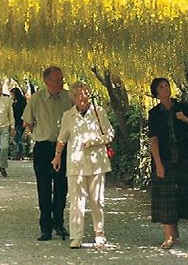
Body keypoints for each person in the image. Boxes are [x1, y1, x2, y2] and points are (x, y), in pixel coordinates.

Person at [51, 82, 114, 249]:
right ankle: (76, 236)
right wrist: (57, 156)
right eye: (78, 95)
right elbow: (62, 138)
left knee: (97, 200)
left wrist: (94, 141)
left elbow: (109, 134)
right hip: (75, 163)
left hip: (97, 162)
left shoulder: (99, 112)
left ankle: (99, 233)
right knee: (76, 201)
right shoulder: (68, 116)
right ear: (73, 97)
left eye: (85, 93)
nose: (82, 97)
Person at [22, 66, 72, 241]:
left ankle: (58, 222)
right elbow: (27, 122)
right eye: (57, 79)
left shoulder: (68, 97)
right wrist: (40, 133)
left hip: (64, 148)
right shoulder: (36, 99)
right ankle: (45, 227)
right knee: (44, 188)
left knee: (61, 187)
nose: (61, 82)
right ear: (47, 81)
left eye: (62, 79)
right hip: (43, 147)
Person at [148, 77, 188, 249]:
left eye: (167, 86)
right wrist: (158, 164)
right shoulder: (154, 113)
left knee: (183, 196)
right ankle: (168, 236)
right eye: (161, 87)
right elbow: (154, 140)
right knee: (166, 199)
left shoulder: (183, 107)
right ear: (156, 93)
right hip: (164, 158)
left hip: (184, 157)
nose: (165, 89)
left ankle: (176, 231)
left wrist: (185, 119)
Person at [10, 87, 27, 160]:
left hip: (20, 121)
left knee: (18, 138)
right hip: (15, 121)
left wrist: (25, 121)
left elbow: (25, 111)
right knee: (16, 138)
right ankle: (18, 153)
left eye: (12, 94)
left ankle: (20, 154)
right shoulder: (14, 102)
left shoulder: (22, 100)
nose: (12, 95)